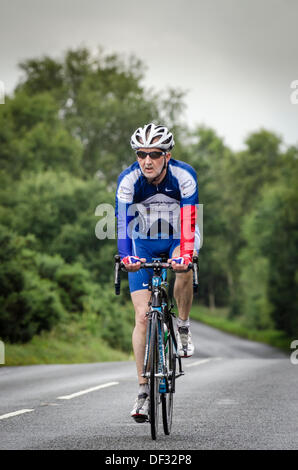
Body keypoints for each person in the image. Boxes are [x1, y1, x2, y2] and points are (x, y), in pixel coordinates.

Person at [115, 123, 200, 423]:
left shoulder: (184, 176)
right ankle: (143, 393)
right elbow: (123, 225)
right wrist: (127, 258)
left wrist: (185, 255)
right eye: (141, 154)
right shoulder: (128, 180)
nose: (147, 160)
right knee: (141, 316)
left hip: (179, 236)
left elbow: (189, 223)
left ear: (167, 155)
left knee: (184, 266)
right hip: (144, 243)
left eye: (155, 154)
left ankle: (184, 326)